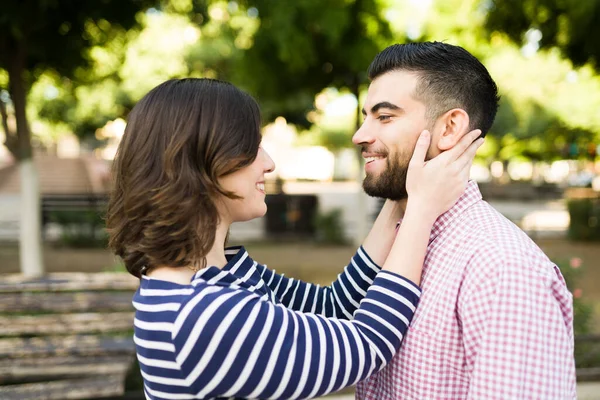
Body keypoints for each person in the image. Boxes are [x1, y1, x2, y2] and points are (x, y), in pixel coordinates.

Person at [106, 78, 482, 400]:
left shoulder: (213, 274)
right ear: (200, 160)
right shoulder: (202, 315)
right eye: (250, 146)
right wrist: (421, 208)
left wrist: (399, 196)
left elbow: (332, 306)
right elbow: (367, 344)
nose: (268, 162)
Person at [354, 42, 576, 400]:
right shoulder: (402, 243)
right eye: (365, 117)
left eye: (384, 117)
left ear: (450, 128)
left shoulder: (503, 269)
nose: (360, 135)